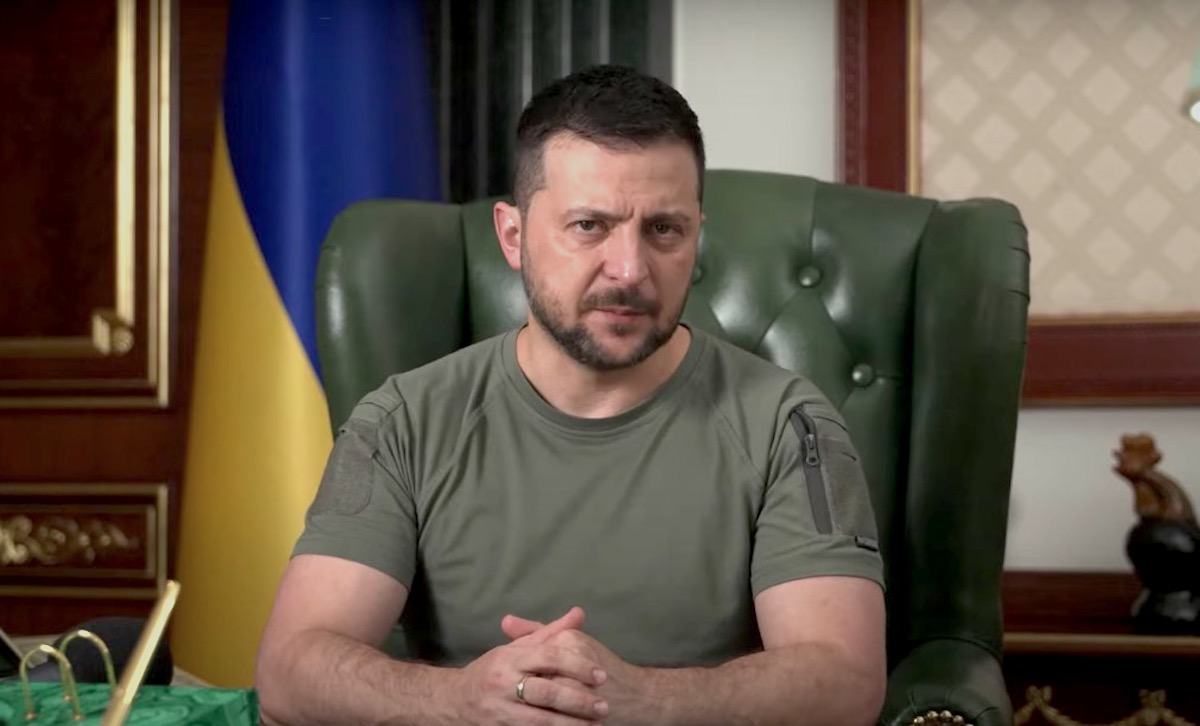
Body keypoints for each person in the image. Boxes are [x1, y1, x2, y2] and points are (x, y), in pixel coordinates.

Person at [256, 64, 886, 726]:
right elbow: (289, 670)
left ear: (697, 234)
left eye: (664, 230)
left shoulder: (790, 425)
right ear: (513, 236)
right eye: (589, 225)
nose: (630, 270)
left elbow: (846, 682)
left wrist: (646, 700)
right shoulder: (402, 422)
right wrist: (460, 699)